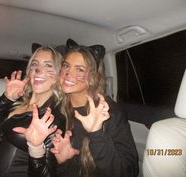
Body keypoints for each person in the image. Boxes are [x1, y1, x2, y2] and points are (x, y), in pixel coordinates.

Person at [0, 45, 66, 177]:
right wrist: (6, 98)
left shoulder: (52, 119)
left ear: (58, 75)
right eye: (34, 64)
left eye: (48, 66)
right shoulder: (15, 103)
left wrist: (36, 147)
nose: (38, 70)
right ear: (29, 71)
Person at [50, 39, 139, 177]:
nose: (68, 74)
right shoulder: (57, 109)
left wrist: (96, 134)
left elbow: (129, 172)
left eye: (80, 69)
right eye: (66, 66)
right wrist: (62, 161)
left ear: (93, 77)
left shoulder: (108, 112)